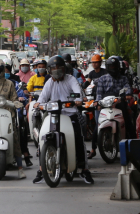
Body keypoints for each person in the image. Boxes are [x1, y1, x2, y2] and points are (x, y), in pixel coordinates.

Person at [32, 55, 94, 185]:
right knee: (43, 137)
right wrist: (38, 104)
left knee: (79, 138)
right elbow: (42, 98)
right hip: (53, 115)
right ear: (49, 70)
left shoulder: (71, 79)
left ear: (63, 68)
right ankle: (41, 169)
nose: (56, 70)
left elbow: (77, 93)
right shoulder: (49, 82)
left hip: (70, 114)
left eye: (58, 67)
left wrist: (77, 100)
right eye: (53, 68)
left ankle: (84, 169)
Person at [89, 55, 133, 158]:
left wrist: (128, 95)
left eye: (114, 67)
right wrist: (97, 102)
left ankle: (133, 148)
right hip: (105, 105)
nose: (112, 69)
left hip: (119, 103)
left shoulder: (123, 78)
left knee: (129, 124)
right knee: (97, 126)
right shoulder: (102, 79)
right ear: (108, 68)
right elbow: (99, 93)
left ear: (118, 67)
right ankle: (92, 149)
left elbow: (128, 88)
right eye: (111, 67)